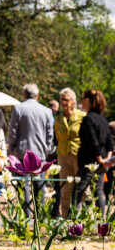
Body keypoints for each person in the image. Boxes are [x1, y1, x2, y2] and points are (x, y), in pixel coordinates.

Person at [7, 83, 55, 216]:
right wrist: (45, 150)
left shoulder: (18, 109)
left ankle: (26, 215)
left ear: (24, 94)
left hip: (22, 153)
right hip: (39, 153)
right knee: (40, 186)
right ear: (37, 95)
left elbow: (13, 132)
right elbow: (50, 134)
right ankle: (40, 215)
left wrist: (11, 148)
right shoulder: (46, 111)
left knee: (23, 186)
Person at [73, 89, 114, 213]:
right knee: (99, 192)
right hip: (102, 162)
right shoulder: (103, 120)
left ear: (87, 100)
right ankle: (101, 223)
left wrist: (99, 158)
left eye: (82, 99)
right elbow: (109, 142)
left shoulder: (88, 119)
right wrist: (107, 159)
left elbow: (92, 141)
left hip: (89, 162)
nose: (80, 102)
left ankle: (73, 222)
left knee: (77, 193)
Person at [54, 88, 84, 217]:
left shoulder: (82, 116)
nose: (63, 103)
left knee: (80, 187)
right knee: (65, 187)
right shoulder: (58, 119)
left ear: (73, 101)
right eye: (62, 100)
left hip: (78, 153)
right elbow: (57, 137)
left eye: (66, 100)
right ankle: (66, 218)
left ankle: (80, 216)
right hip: (63, 155)